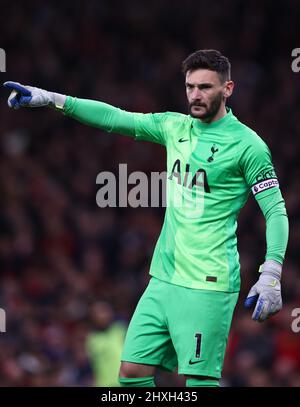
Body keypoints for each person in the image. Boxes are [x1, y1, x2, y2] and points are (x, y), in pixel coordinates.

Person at [3, 49, 289, 387]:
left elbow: (275, 210)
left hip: (208, 283)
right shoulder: (173, 126)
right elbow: (115, 118)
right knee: (131, 375)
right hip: (163, 278)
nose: (195, 95)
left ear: (228, 89)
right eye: (190, 86)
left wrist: (271, 272)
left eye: (206, 88)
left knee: (198, 382)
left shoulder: (248, 146)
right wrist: (51, 98)